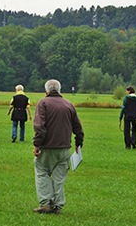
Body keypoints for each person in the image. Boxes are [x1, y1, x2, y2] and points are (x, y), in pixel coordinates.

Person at [32, 79, 84, 215]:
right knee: (59, 178)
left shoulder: (43, 103)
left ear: (46, 91)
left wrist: (37, 144)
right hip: (65, 148)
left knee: (42, 171)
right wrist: (79, 143)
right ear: (59, 90)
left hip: (48, 147)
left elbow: (40, 127)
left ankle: (46, 203)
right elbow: (78, 127)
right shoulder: (69, 104)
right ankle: (57, 206)